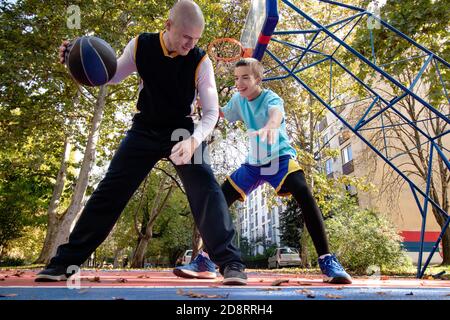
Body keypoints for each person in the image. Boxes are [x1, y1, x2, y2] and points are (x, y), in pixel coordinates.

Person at [35, 0, 247, 286]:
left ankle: (232, 264)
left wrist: (195, 139)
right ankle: (64, 262)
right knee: (110, 190)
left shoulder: (200, 60)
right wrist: (77, 58)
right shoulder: (141, 45)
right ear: (168, 25)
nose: (190, 43)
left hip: (182, 132)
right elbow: (110, 75)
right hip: (144, 128)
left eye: (196, 39)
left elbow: (210, 112)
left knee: (207, 188)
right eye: (186, 37)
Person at [174, 58, 352, 284]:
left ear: (258, 79)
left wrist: (270, 127)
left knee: (303, 192)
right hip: (253, 164)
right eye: (237, 78)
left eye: (245, 78)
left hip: (279, 158)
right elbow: (223, 112)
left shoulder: (270, 97)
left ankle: (327, 261)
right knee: (217, 200)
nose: (239, 83)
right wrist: (205, 103)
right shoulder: (239, 100)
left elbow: (275, 114)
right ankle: (206, 260)